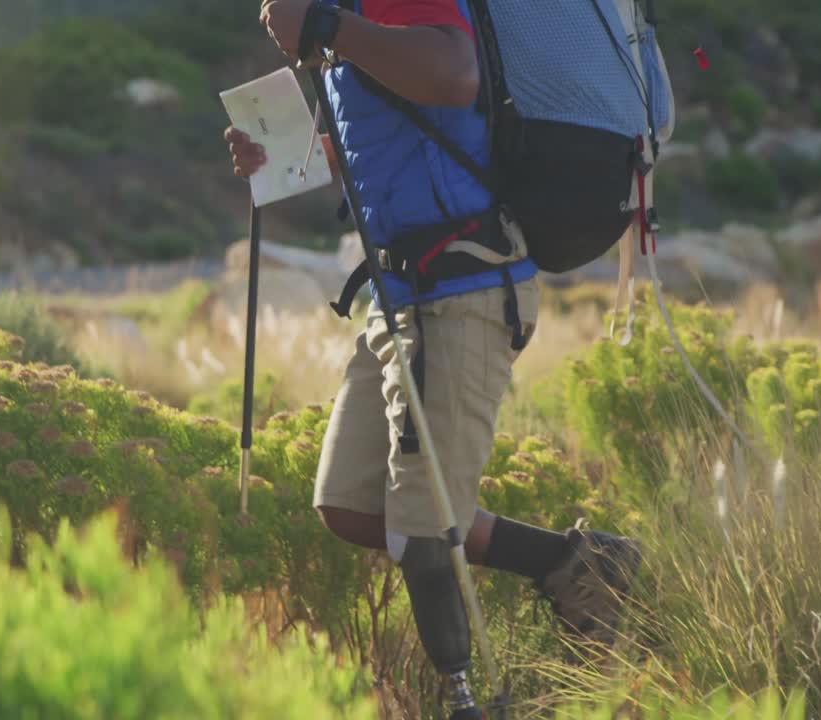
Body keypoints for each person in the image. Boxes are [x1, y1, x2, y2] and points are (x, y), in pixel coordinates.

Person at [227, 1, 642, 717]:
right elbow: (384, 143)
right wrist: (279, 155)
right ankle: (582, 566)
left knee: (422, 534)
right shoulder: (350, 20)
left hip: (465, 291)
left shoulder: (356, 14)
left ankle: (467, 702)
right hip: (399, 295)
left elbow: (453, 75)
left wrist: (325, 26)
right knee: (349, 503)